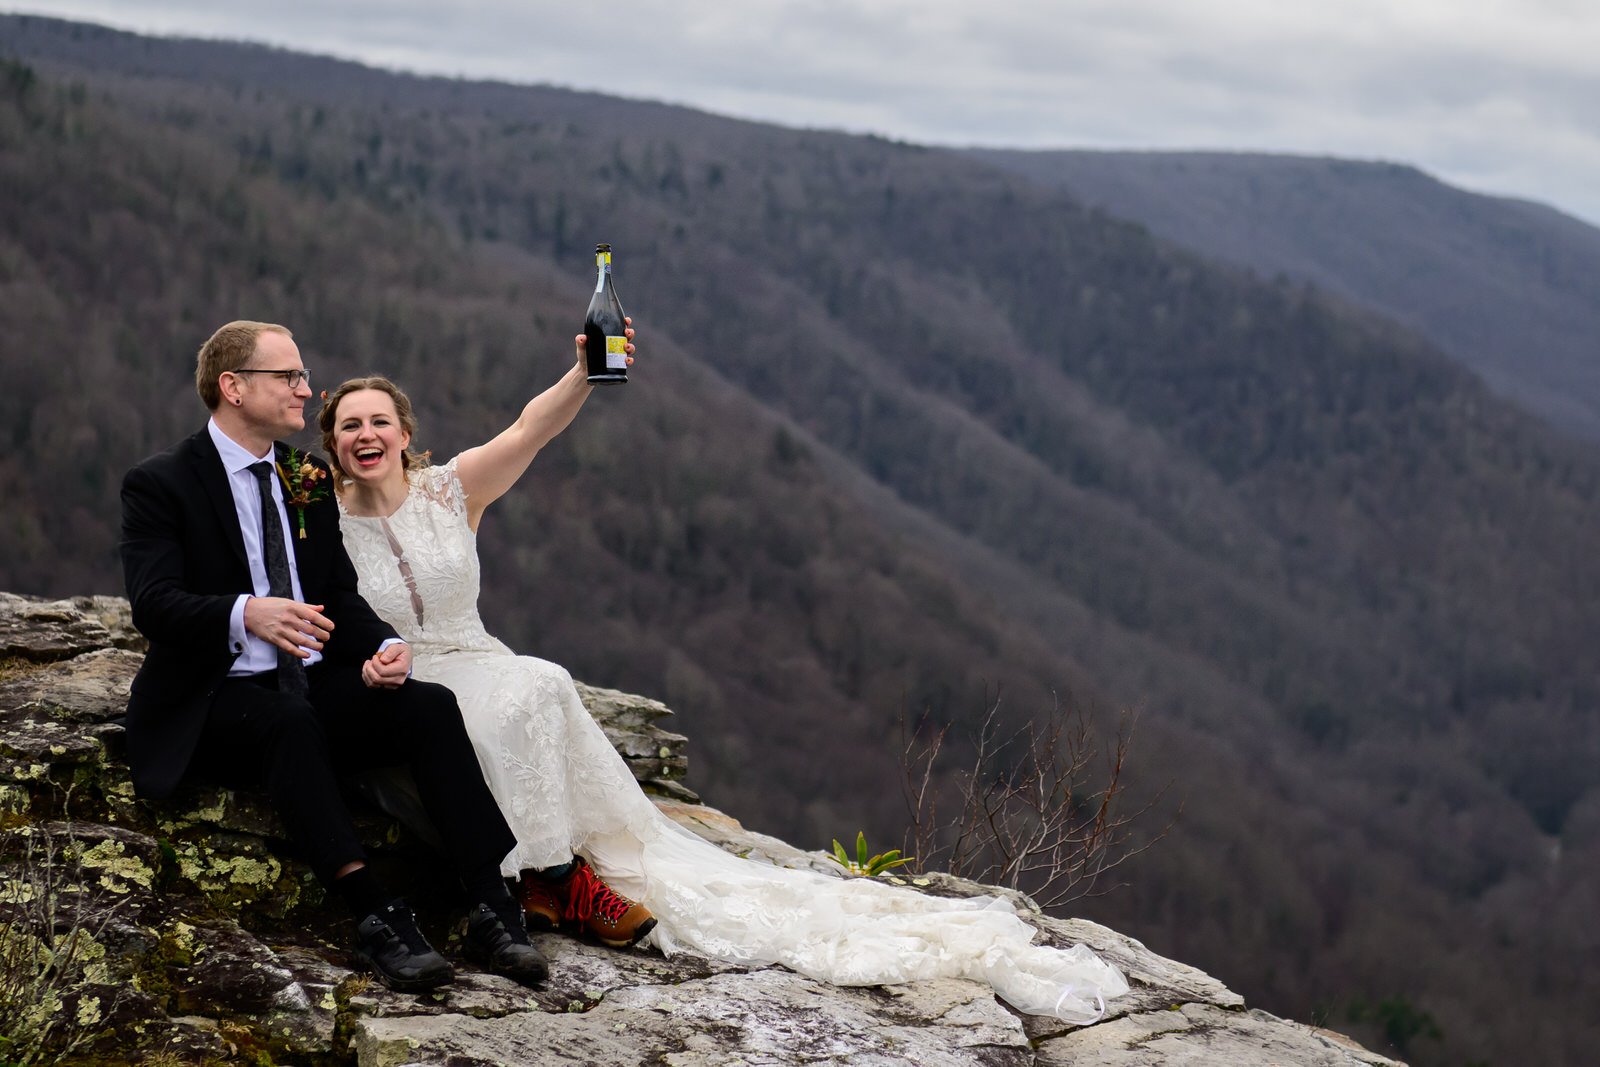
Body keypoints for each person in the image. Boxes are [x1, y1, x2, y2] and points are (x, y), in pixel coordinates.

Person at [318, 338, 1130, 1024]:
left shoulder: (450, 490)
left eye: (378, 420)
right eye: (349, 424)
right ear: (331, 441)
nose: (365, 434)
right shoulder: (321, 525)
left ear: (404, 430)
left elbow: (533, 429)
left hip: (477, 653)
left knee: (537, 682)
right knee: (515, 700)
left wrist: (585, 372)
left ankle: (556, 877)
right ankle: (547, 880)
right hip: (402, 676)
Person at [119, 320, 549, 994]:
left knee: (429, 705)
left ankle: (490, 903)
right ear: (233, 388)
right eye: (287, 376)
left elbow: (338, 596)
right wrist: (244, 612)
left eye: (301, 374)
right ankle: (376, 913)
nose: (305, 389)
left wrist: (383, 645)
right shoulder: (161, 483)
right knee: (285, 724)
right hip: (216, 695)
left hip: (308, 683)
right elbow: (153, 602)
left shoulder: (307, 477)